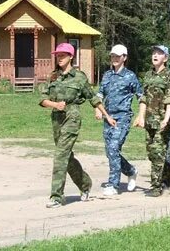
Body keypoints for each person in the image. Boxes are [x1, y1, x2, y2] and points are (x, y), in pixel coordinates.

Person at [39, 42, 117, 208]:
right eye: (57, 55)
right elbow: (42, 99)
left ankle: (56, 197)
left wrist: (107, 116)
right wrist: (54, 105)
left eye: (62, 55)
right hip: (56, 119)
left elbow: (93, 98)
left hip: (72, 117)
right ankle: (85, 184)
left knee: (60, 155)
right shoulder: (53, 76)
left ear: (71, 57)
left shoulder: (80, 77)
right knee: (66, 157)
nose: (59, 58)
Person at [95, 44, 142, 196]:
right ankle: (130, 170)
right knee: (110, 151)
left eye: (118, 56)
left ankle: (113, 184)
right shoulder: (107, 75)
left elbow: (141, 95)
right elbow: (100, 93)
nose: (114, 59)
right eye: (113, 56)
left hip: (122, 117)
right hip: (108, 117)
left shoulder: (130, 76)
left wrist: (141, 115)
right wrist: (97, 108)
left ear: (124, 58)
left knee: (114, 148)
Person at [134, 45, 170, 197]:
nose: (155, 55)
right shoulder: (148, 75)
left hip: (163, 120)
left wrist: (166, 119)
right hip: (149, 120)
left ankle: (156, 187)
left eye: (159, 53)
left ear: (165, 58)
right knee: (152, 153)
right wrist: (140, 116)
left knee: (158, 152)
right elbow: (144, 98)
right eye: (153, 53)